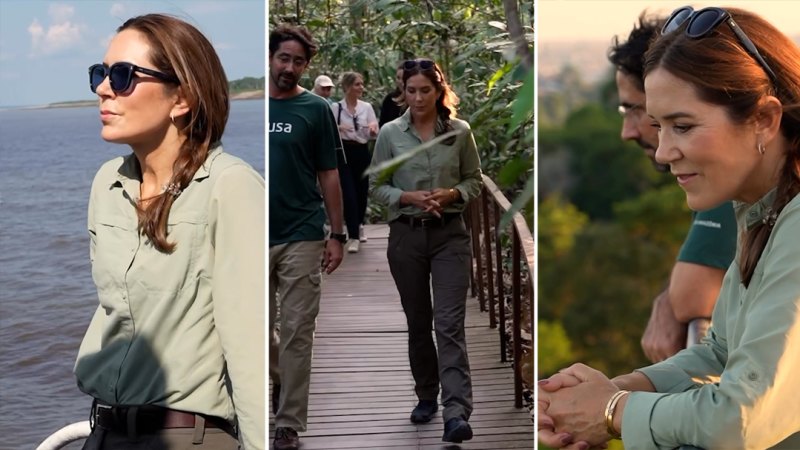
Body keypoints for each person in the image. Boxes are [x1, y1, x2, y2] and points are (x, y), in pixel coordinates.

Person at [539, 6, 800, 449]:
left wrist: (610, 412)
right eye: (659, 127)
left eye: (682, 126)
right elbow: (720, 351)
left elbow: (738, 419)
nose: (662, 152)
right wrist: (613, 389)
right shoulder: (760, 211)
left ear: (764, 119)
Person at [75, 14, 264, 449]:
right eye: (100, 74)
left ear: (181, 97)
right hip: (104, 433)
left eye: (122, 76)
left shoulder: (230, 187)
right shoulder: (107, 183)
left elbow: (250, 351)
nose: (104, 88)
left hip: (185, 437)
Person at [609, 12, 736, 362]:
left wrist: (670, 298)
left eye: (635, 110)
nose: (628, 131)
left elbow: (693, 295)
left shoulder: (733, 176)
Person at [370, 58, 482, 443]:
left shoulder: (460, 132)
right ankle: (425, 395)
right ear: (403, 91)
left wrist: (453, 193)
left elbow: (474, 180)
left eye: (425, 90)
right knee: (419, 323)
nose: (417, 98)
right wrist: (406, 196)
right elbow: (376, 186)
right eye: (411, 91)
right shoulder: (389, 133)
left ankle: (457, 412)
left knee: (449, 325)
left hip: (450, 236)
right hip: (406, 238)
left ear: (439, 91)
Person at [268, 24, 345, 450]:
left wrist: (337, 233)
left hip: (302, 232)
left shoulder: (315, 110)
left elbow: (329, 174)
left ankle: (288, 424)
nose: (290, 68)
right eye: (284, 58)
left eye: (298, 61)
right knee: (256, 331)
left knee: (298, 329)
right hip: (252, 236)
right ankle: (280, 378)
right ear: (271, 58)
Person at [332, 71, 378, 253]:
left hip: (361, 152)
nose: (361, 88)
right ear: (348, 87)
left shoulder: (366, 107)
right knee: (348, 194)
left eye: (362, 84)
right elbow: (328, 130)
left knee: (361, 192)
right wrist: (339, 127)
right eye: (357, 84)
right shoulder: (337, 108)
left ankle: (359, 225)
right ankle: (353, 236)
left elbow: (374, 128)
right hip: (344, 153)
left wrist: (373, 129)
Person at [379, 61, 405, 128]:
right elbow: (382, 123)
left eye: (404, 78)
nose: (400, 82)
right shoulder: (390, 99)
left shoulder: (417, 99)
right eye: (398, 78)